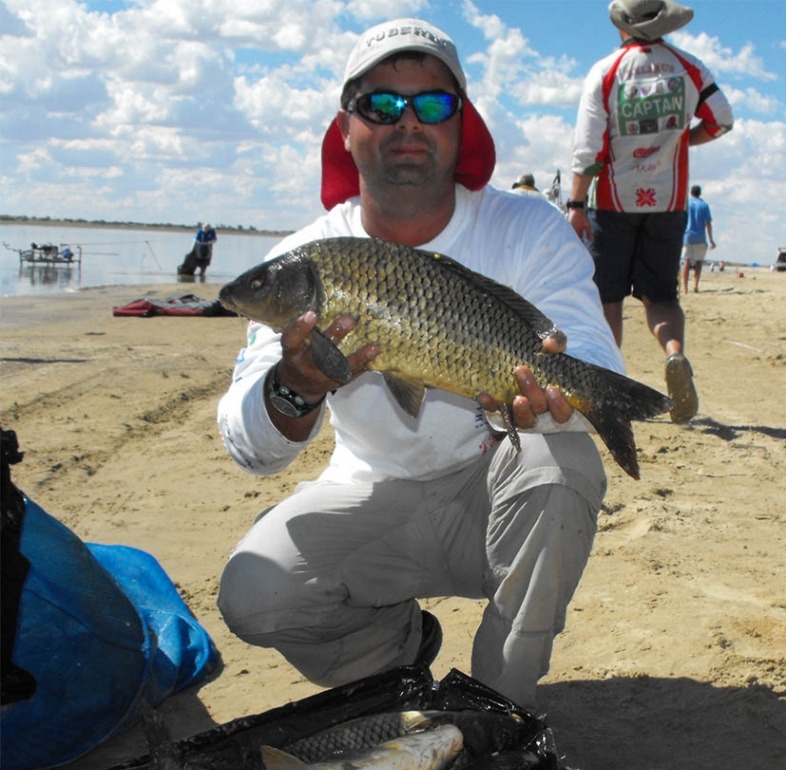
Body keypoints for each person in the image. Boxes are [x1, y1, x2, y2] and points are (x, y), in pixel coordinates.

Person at [216, 17, 625, 711]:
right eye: (380, 105)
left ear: (462, 125)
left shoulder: (526, 228)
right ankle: (399, 662)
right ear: (345, 130)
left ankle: (497, 708)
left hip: (495, 492)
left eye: (432, 104)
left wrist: (560, 381)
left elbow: (588, 349)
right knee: (257, 593)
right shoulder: (312, 254)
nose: (407, 121)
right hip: (374, 497)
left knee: (560, 454)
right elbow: (248, 446)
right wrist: (294, 387)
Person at [567, 0, 733, 424]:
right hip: (670, 201)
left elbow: (589, 149)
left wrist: (576, 203)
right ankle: (674, 354)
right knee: (660, 295)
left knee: (608, 297)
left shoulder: (606, 72)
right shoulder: (688, 67)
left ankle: (607, 380)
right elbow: (721, 119)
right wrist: (681, 140)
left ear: (621, 26)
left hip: (614, 200)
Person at [681, 185, 715, 293]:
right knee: (699, 261)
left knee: (686, 261)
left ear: (691, 193)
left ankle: (685, 288)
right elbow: (708, 223)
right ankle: (695, 285)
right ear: (700, 193)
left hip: (687, 235)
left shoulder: (687, 204)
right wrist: (711, 240)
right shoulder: (704, 205)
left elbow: (681, 219)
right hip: (700, 236)